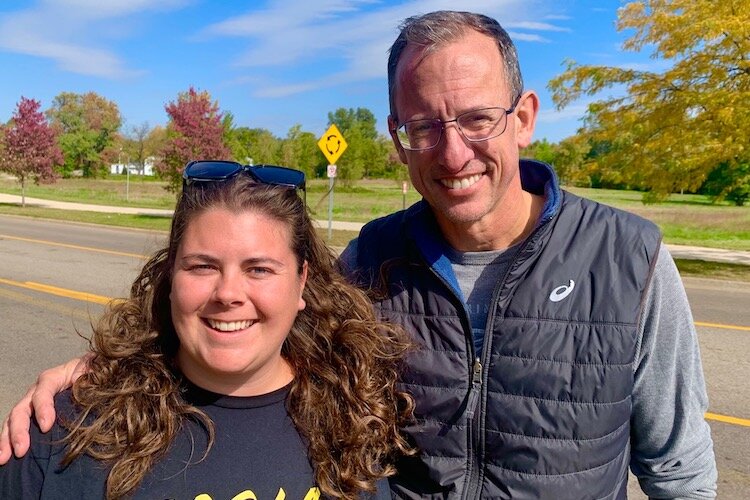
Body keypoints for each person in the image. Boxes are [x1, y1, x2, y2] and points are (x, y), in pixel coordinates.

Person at [1, 10, 717, 499]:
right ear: (396, 132)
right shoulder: (376, 258)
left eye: (475, 119)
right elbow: (254, 325)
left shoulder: (630, 259)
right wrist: (105, 373)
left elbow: (680, 471)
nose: (453, 150)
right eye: (422, 126)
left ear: (523, 118)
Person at [0, 161, 413, 499]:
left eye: (259, 269)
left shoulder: (355, 422)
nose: (228, 293)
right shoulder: (65, 431)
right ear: (171, 275)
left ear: (301, 282)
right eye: (203, 266)